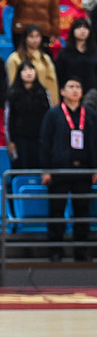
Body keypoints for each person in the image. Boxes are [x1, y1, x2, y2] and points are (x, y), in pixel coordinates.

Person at [39, 77, 97, 262]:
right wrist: (46, 170)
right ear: (62, 91)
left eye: (78, 87)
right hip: (59, 170)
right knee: (57, 210)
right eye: (71, 86)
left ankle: (81, 251)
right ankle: (55, 251)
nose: (75, 90)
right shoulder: (53, 114)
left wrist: (94, 168)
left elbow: (94, 142)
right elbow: (45, 143)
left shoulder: (89, 114)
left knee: (82, 211)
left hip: (83, 170)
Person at [5, 61, 51, 169]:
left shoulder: (43, 92)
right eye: (24, 70)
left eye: (31, 69)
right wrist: (10, 141)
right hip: (20, 139)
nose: (28, 73)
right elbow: (9, 119)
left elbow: (49, 117)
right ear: (19, 73)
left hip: (40, 138)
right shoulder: (13, 94)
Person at [6, 24, 59, 105]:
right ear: (25, 38)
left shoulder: (45, 58)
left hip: (42, 100)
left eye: (37, 36)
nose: (35, 40)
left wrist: (53, 102)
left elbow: (52, 81)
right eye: (31, 36)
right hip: (20, 101)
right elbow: (12, 82)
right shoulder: (14, 58)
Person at [56, 18, 97, 94]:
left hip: (91, 92)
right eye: (79, 27)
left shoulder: (94, 52)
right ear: (73, 31)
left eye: (85, 28)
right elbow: (59, 74)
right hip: (70, 91)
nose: (82, 30)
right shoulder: (65, 52)